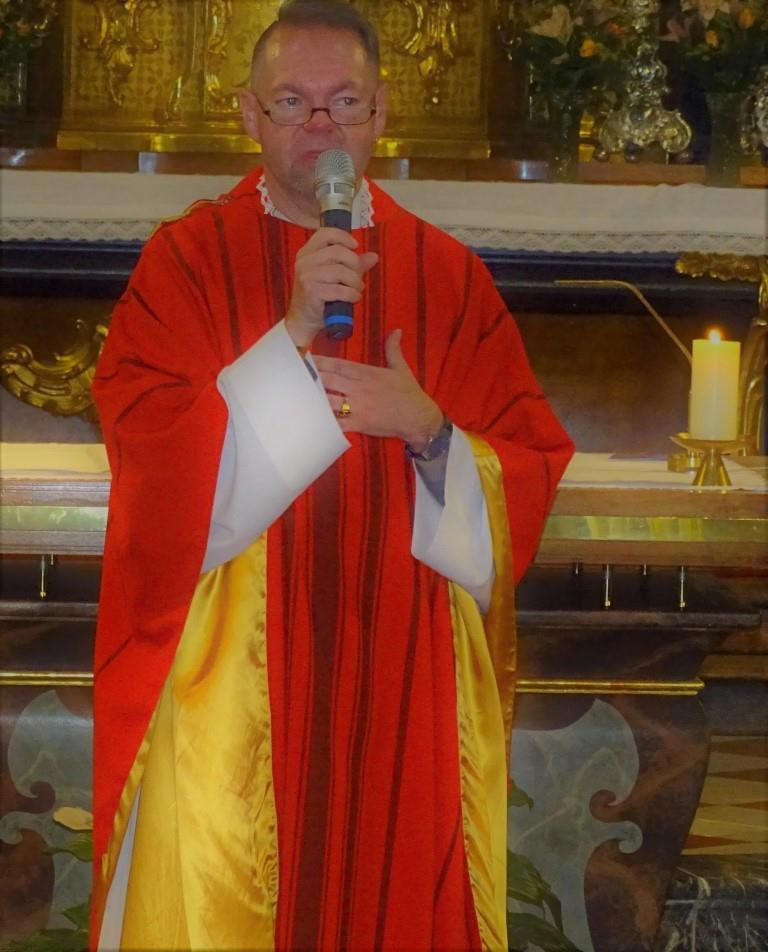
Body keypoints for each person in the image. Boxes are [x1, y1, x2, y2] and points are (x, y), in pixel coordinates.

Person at [90, 2, 574, 950]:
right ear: (249, 115)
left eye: (344, 101)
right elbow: (154, 467)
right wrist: (294, 335)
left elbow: (526, 466)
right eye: (292, 103)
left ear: (381, 112)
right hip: (225, 687)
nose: (321, 126)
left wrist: (429, 430)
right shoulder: (186, 263)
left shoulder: (448, 276)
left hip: (403, 675)